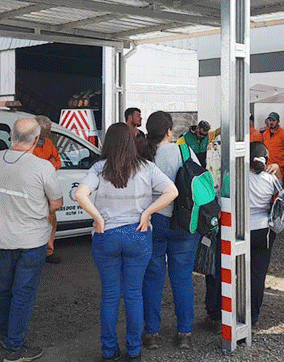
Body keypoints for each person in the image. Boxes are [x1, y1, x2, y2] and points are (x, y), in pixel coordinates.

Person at [74, 123, 178, 362]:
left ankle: (109, 352)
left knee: (110, 295)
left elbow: (80, 194)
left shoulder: (99, 168)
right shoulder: (147, 167)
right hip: (137, 234)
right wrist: (147, 213)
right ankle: (134, 351)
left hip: (107, 235)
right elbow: (171, 192)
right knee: (133, 295)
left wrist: (98, 218)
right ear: (131, 143)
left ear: (107, 143)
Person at [0, 117, 63, 362]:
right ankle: (15, 345)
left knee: (4, 290)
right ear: (38, 139)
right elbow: (56, 203)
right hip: (32, 240)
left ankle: (4, 333)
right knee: (24, 294)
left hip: (0, 238)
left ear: (11, 134)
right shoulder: (42, 167)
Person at [140, 111, 201, 350]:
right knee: (182, 276)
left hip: (152, 220)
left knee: (152, 276)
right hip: (184, 222)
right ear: (169, 131)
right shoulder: (184, 151)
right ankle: (184, 332)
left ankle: (151, 333)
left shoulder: (143, 155)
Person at [248, 141, 282, 327]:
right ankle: (253, 314)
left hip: (241, 230)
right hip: (264, 231)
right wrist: (277, 170)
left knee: (237, 272)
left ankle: (234, 311)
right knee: (258, 275)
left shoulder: (237, 177)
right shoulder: (270, 179)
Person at [32, 115, 63, 264]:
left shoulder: (49, 143)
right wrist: (48, 164)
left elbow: (58, 161)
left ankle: (48, 251)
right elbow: (32, 166)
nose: (50, 133)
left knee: (51, 219)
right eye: (47, 131)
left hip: (48, 188)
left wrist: (48, 165)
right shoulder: (28, 145)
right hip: (34, 188)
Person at [262, 112, 284, 179]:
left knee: (279, 187)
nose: (271, 122)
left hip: (279, 168)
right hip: (268, 167)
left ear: (278, 121)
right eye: (270, 120)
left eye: (273, 120)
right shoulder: (265, 134)